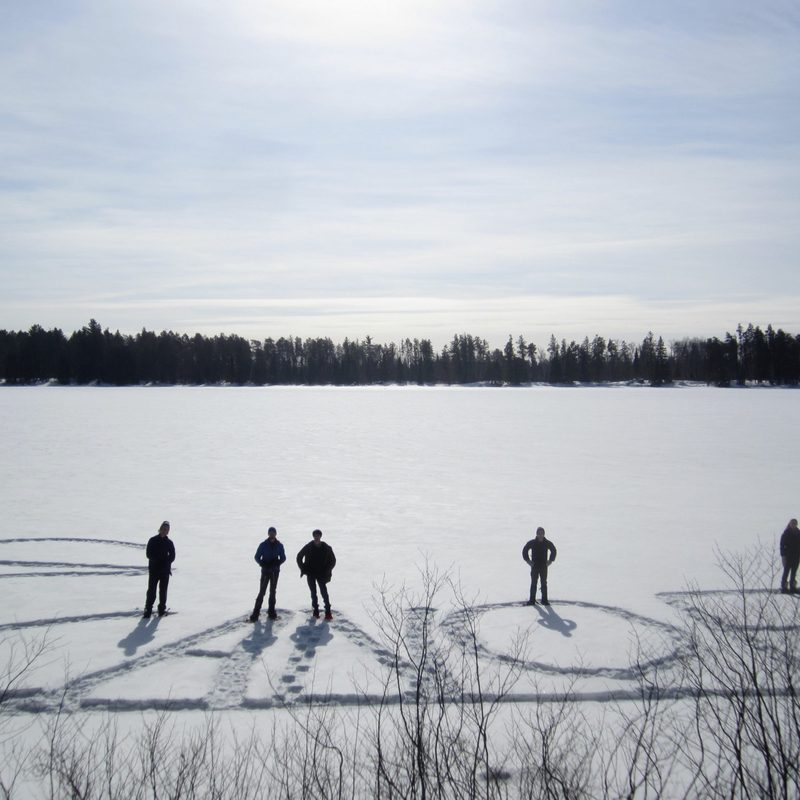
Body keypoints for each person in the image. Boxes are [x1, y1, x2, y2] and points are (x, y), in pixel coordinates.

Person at [296, 529, 336, 620]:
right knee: (313, 593)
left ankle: (328, 612)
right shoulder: (308, 546)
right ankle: (316, 611)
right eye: (315, 535)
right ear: (313, 536)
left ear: (320, 536)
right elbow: (299, 556)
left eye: (318, 535)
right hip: (311, 573)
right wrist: (303, 568)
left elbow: (333, 561)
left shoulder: (326, 547)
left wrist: (327, 570)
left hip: (322, 574)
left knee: (324, 592)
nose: (316, 537)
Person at [250, 526, 287, 621]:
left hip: (275, 572)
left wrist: (277, 563)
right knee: (262, 591)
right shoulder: (263, 545)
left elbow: (283, 557)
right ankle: (255, 613)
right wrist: (263, 564)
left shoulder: (279, 545)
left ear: (275, 534)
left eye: (273, 533)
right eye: (270, 533)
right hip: (265, 571)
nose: (272, 535)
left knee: (273, 591)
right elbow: (257, 557)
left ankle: (271, 612)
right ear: (268, 534)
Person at [144, 520, 175, 618]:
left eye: (167, 529)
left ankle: (161, 610)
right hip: (154, 570)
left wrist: (166, 562)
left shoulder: (169, 542)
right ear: (160, 529)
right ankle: (148, 610)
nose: (165, 531)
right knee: (151, 591)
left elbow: (172, 556)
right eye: (164, 529)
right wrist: (158, 560)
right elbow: (148, 554)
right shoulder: (153, 540)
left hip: (165, 571)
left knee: (163, 592)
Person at [522, 526, 557, 606]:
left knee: (544, 583)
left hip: (544, 566)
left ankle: (544, 600)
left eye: (542, 533)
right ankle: (532, 600)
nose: (540, 535)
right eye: (539, 533)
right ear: (536, 534)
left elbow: (553, 550)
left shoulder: (547, 543)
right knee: (533, 583)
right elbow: (525, 550)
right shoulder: (532, 543)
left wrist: (550, 561)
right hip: (534, 566)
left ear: (544, 534)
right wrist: (528, 561)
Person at [780, 518, 800, 594]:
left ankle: (793, 587)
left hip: (796, 556)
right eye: (792, 523)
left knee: (794, 573)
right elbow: (782, 545)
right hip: (788, 556)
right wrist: (783, 556)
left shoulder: (798, 532)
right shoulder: (786, 533)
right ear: (790, 524)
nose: (793, 525)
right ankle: (784, 587)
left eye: (795, 524)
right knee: (786, 572)